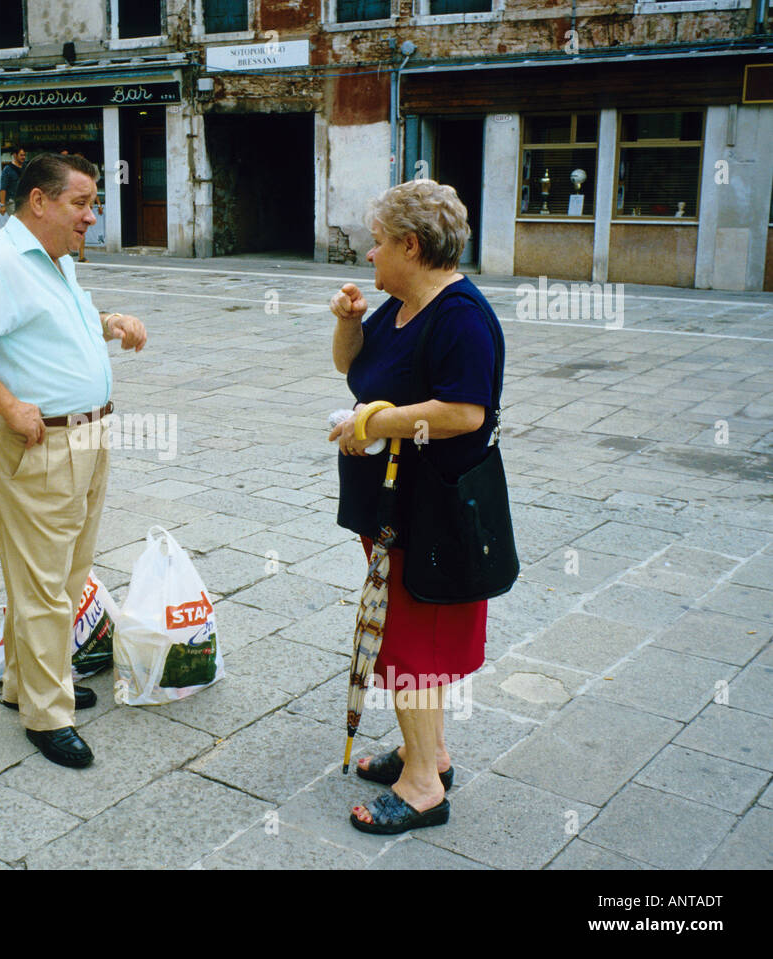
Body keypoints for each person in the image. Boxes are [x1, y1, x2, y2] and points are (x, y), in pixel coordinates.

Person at [0, 153, 147, 769]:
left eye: (93, 203)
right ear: (38, 201)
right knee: (46, 585)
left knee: (63, 578)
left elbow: (51, 328)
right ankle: (48, 716)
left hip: (85, 439)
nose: (91, 217)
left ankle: (28, 683)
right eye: (81, 203)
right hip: (39, 442)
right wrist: (7, 404)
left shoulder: (55, 261)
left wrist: (109, 323)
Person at [329, 178, 504, 835]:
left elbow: (465, 411)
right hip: (390, 509)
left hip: (429, 516)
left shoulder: (459, 316)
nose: (368, 257)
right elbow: (353, 371)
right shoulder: (399, 306)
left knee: (412, 647)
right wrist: (348, 322)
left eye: (377, 244)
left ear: (410, 244)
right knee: (405, 639)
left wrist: (375, 423)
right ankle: (425, 749)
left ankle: (423, 785)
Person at [0, 145, 26, 216]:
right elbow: (3, 188)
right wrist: (2, 205)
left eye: (24, 155)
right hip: (12, 202)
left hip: (23, 201)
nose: (23, 157)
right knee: (16, 222)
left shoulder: (25, 167)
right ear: (15, 155)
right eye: (21, 155)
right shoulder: (7, 170)